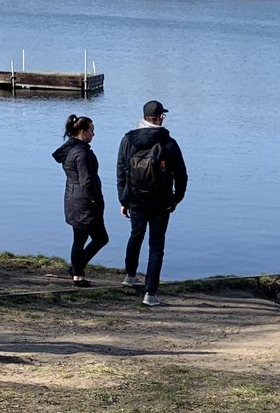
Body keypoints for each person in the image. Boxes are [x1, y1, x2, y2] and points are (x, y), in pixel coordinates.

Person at [117, 100, 188, 307]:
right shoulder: (169, 143)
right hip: (161, 202)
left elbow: (121, 170)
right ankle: (150, 293)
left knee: (135, 235)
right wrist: (176, 198)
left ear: (144, 117)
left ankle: (129, 276)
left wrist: (124, 199)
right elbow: (181, 174)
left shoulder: (128, 140)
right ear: (159, 118)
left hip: (136, 199)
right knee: (156, 246)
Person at [52, 115, 109, 287]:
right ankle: (77, 272)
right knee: (101, 238)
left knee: (80, 238)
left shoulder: (69, 149)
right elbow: (87, 181)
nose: (94, 134)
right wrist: (96, 200)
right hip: (85, 202)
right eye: (92, 130)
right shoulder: (82, 153)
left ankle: (77, 272)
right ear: (82, 132)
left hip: (72, 197)